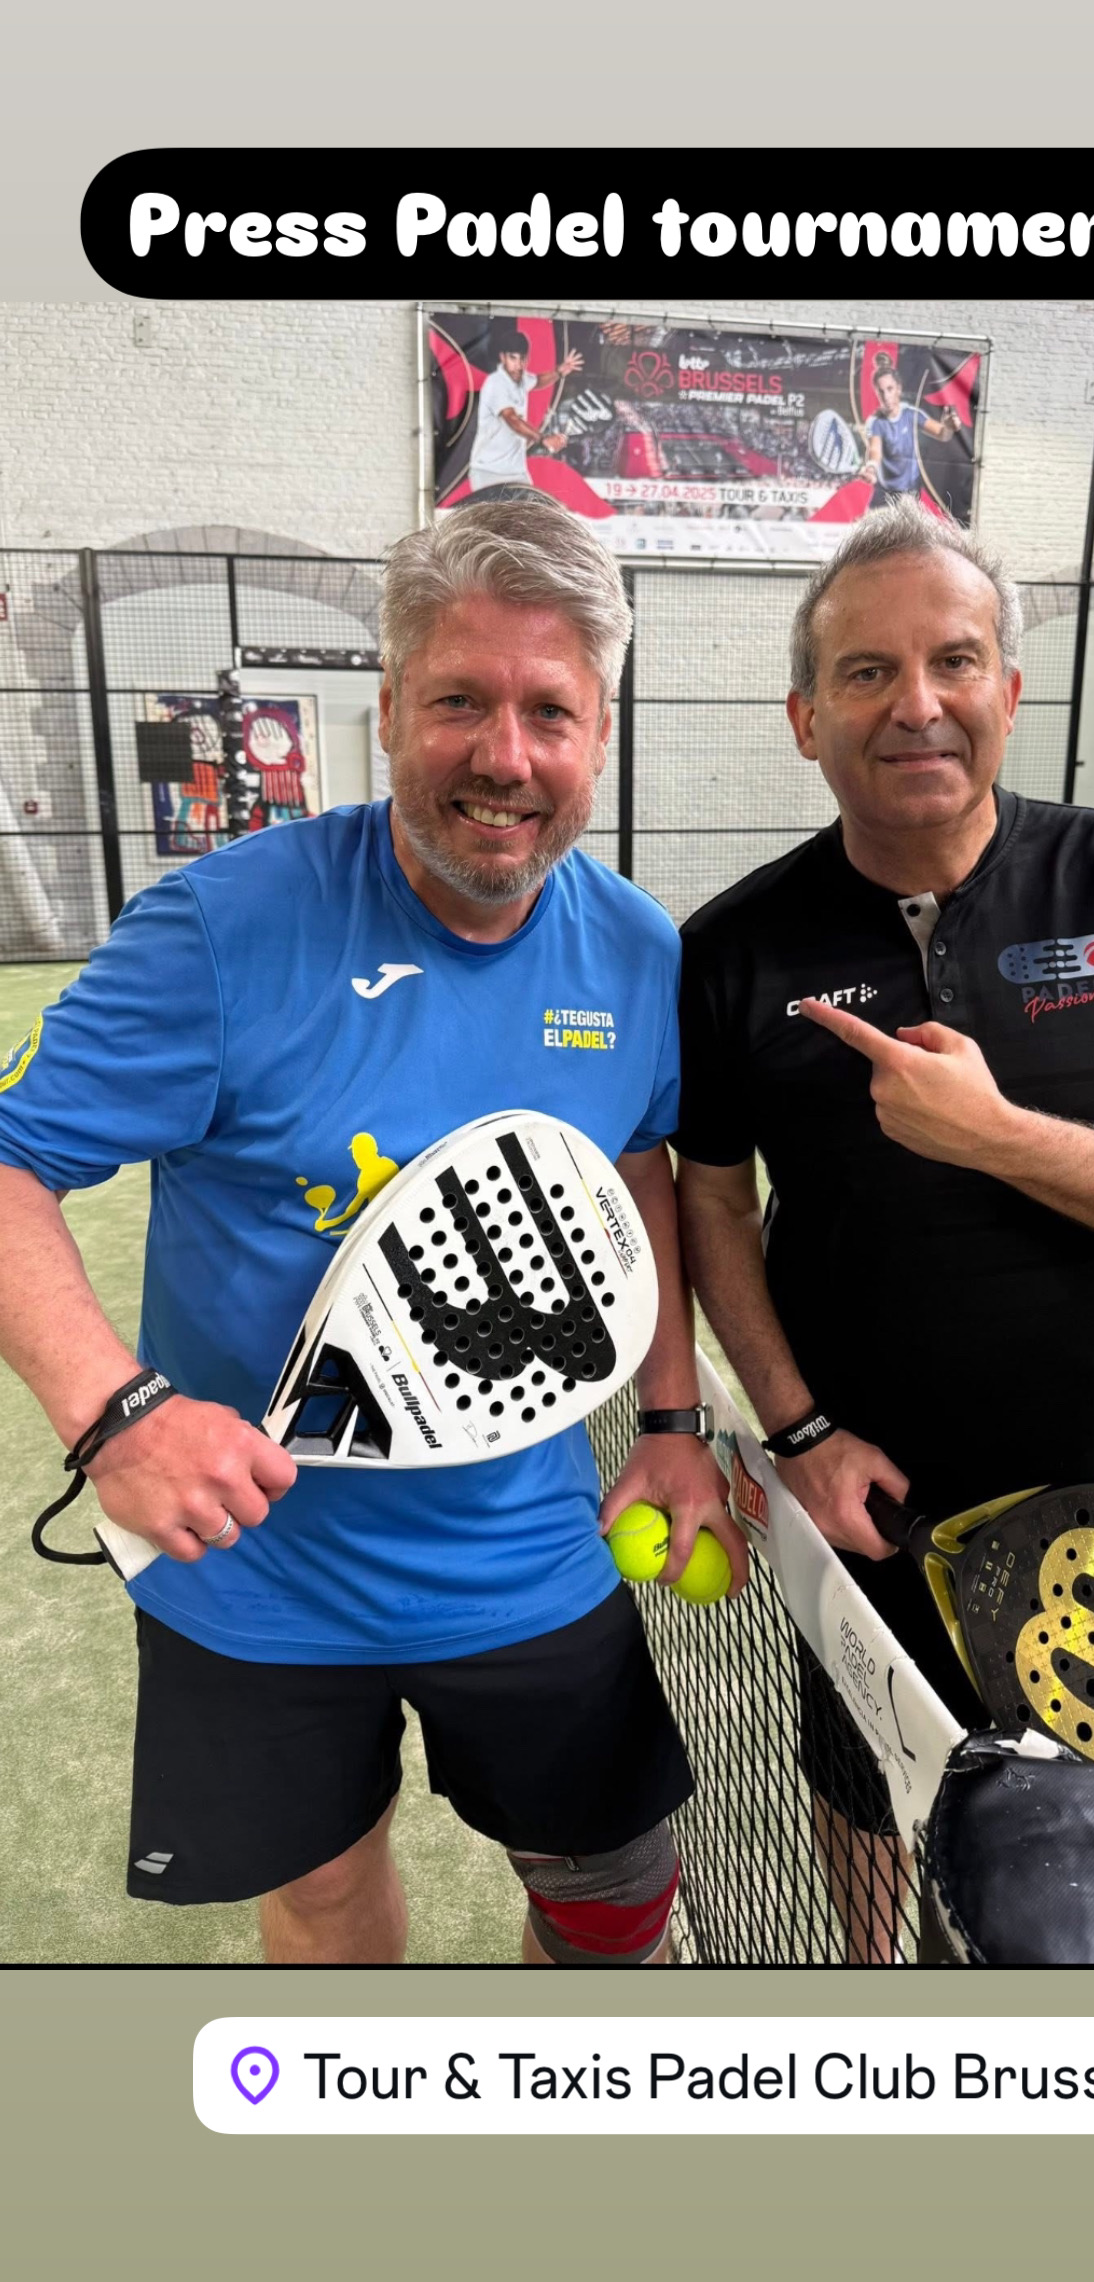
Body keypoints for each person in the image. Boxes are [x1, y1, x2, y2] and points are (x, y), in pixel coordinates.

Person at [0, 492, 743, 1968]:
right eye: (460, 700)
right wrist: (113, 1412)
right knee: (329, 1903)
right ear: (391, 707)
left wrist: (671, 1417)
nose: (505, 756)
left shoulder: (636, 950)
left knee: (612, 1893)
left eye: (549, 710)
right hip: (253, 1576)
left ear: (598, 733)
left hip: (527, 1551)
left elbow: (635, 1167)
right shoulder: (221, 931)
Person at [674, 498, 1094, 1956]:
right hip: (863, 1507)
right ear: (805, 718)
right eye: (867, 671)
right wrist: (799, 1433)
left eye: (954, 660)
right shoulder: (731, 947)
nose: (917, 703)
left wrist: (995, 1134)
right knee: (861, 1798)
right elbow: (712, 1196)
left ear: (1009, 690)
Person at [467, 328, 584, 495]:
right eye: (513, 358)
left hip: (515, 472)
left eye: (522, 359)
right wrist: (542, 439)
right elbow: (512, 419)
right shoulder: (496, 383)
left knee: (532, 509)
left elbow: (538, 381)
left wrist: (559, 371)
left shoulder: (521, 378)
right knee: (499, 513)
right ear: (503, 357)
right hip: (488, 471)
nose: (518, 365)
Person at [859, 354, 961, 508]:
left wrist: (948, 427)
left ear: (898, 389)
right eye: (881, 391)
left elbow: (942, 434)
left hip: (909, 494)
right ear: (876, 392)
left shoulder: (911, 414)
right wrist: (871, 468)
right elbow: (875, 451)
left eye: (890, 389)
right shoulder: (875, 422)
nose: (886, 396)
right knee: (869, 523)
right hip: (883, 493)